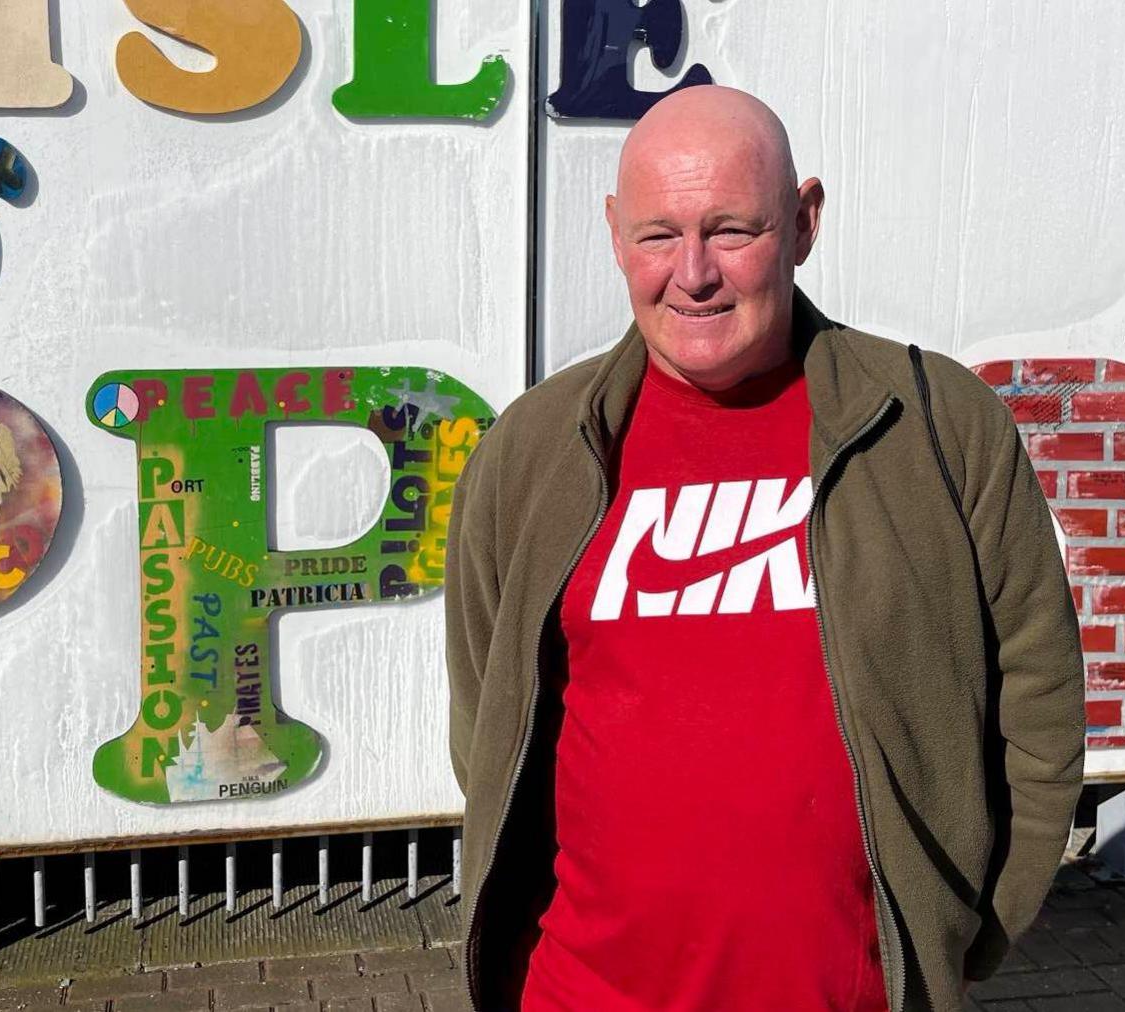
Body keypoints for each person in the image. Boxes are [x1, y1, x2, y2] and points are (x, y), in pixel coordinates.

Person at [443, 86, 1085, 1011]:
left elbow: (1040, 695)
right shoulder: (534, 450)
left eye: (732, 230)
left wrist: (969, 928)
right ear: (616, 235)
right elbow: (487, 721)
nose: (693, 273)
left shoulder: (935, 425)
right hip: (580, 991)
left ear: (804, 221)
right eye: (658, 235)